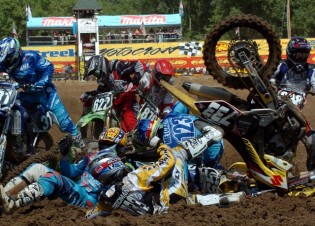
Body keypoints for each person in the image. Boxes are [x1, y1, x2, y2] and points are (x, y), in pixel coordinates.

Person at [85, 122, 244, 219]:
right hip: (171, 200)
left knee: (185, 199)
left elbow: (92, 214)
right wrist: (159, 144)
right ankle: (211, 137)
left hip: (162, 214)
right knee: (177, 153)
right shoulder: (134, 177)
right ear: (112, 163)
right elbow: (168, 162)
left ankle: (229, 198)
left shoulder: (105, 198)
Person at [0, 127, 129, 214]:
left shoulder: (123, 170)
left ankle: (12, 205)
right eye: (103, 144)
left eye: (110, 145)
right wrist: (64, 155)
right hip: (76, 190)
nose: (106, 148)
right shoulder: (91, 156)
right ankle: (6, 196)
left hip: (90, 201)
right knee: (37, 168)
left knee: (54, 177)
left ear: (121, 150)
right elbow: (70, 172)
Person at [0, 37, 84, 148]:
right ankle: (17, 138)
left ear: (15, 53)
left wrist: (42, 82)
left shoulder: (31, 57)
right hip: (28, 95)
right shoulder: (4, 63)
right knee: (9, 107)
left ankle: (79, 143)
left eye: (8, 58)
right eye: (5, 59)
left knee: (63, 122)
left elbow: (49, 67)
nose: (6, 61)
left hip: (46, 93)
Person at [131, 102, 224, 192]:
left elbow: (182, 168)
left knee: (194, 182)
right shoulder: (169, 117)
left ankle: (222, 175)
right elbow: (183, 103)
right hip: (212, 128)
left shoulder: (168, 147)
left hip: (213, 149)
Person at [270, 36, 315, 170]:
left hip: (297, 117)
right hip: (277, 114)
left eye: (304, 53)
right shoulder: (280, 66)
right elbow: (267, 79)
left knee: (314, 142)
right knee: (279, 146)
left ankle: (312, 175)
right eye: (298, 53)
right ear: (290, 53)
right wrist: (271, 84)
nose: (301, 57)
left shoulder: (311, 70)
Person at [109, 59, 147, 132]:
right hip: (116, 101)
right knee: (119, 120)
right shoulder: (111, 76)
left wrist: (132, 85)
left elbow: (139, 86)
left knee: (132, 123)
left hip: (128, 102)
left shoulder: (136, 76)